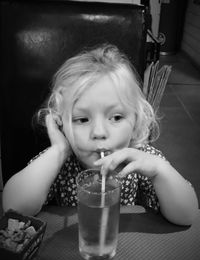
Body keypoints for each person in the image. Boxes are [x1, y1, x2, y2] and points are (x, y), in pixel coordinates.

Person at [2, 44, 198, 225]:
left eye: (116, 117)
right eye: (82, 119)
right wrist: (60, 150)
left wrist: (158, 170)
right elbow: (14, 208)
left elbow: (188, 215)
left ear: (137, 121)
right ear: (61, 123)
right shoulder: (62, 163)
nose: (98, 133)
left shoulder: (142, 161)